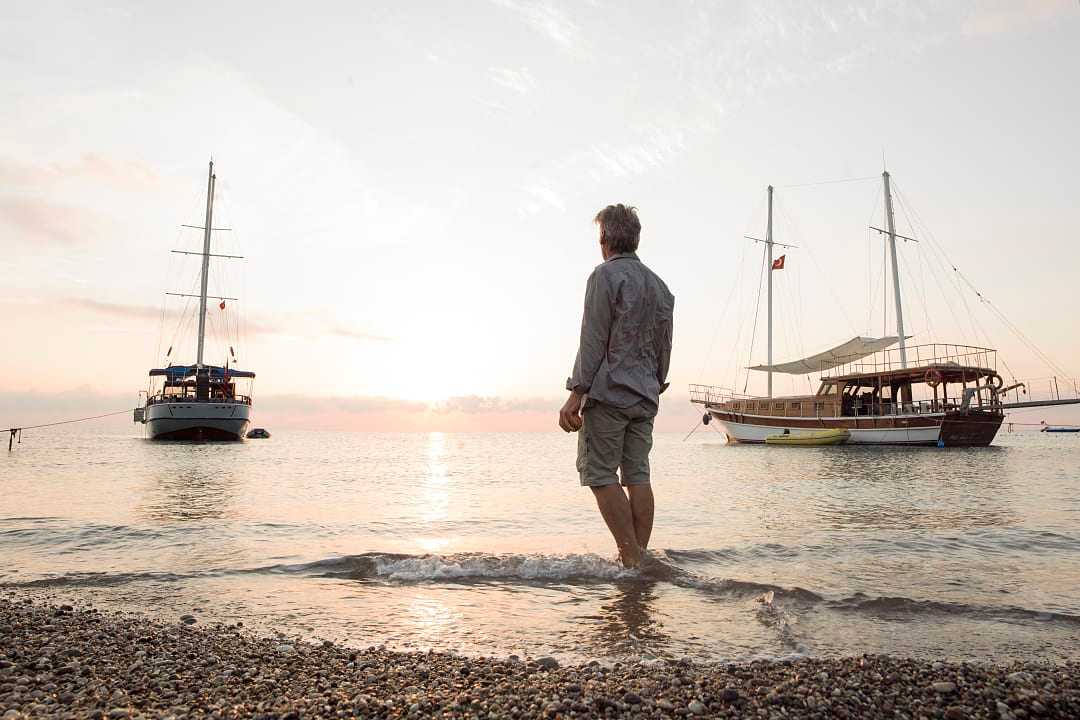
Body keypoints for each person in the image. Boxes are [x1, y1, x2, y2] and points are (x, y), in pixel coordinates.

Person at [559, 204, 674, 568]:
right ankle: (635, 564)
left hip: (610, 394)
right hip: (645, 394)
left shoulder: (604, 277)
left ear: (604, 238)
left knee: (600, 474)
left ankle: (631, 557)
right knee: (638, 474)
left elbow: (593, 338)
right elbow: (664, 343)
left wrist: (576, 393)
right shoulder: (660, 286)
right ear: (636, 238)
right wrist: (655, 382)